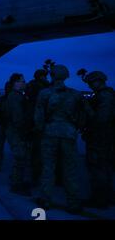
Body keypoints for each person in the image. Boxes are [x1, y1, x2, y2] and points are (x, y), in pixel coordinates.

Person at [34, 65, 84, 214]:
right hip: (68, 133)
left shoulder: (45, 93)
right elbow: (83, 116)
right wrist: (74, 128)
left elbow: (38, 116)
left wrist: (41, 129)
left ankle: (45, 199)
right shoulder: (75, 94)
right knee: (70, 169)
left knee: (48, 168)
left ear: (52, 76)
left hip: (50, 133)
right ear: (66, 76)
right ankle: (73, 202)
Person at [81, 71, 115, 209]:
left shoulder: (105, 96)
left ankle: (99, 200)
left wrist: (86, 107)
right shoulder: (105, 95)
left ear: (99, 81)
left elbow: (101, 119)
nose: (90, 85)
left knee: (98, 168)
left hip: (101, 138)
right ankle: (107, 197)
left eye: (91, 82)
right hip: (105, 137)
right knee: (105, 167)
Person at [4, 73, 30, 196]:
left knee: (21, 157)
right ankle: (16, 184)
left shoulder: (17, 95)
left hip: (15, 130)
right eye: (21, 81)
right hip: (16, 131)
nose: (24, 83)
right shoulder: (15, 97)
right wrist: (23, 131)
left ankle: (18, 181)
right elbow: (17, 117)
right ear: (15, 83)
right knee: (20, 158)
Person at [25, 69, 50, 184]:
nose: (45, 77)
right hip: (37, 122)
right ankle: (36, 176)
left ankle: (36, 175)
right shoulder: (41, 87)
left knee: (36, 150)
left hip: (36, 121)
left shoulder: (32, 85)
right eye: (44, 76)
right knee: (37, 150)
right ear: (40, 76)